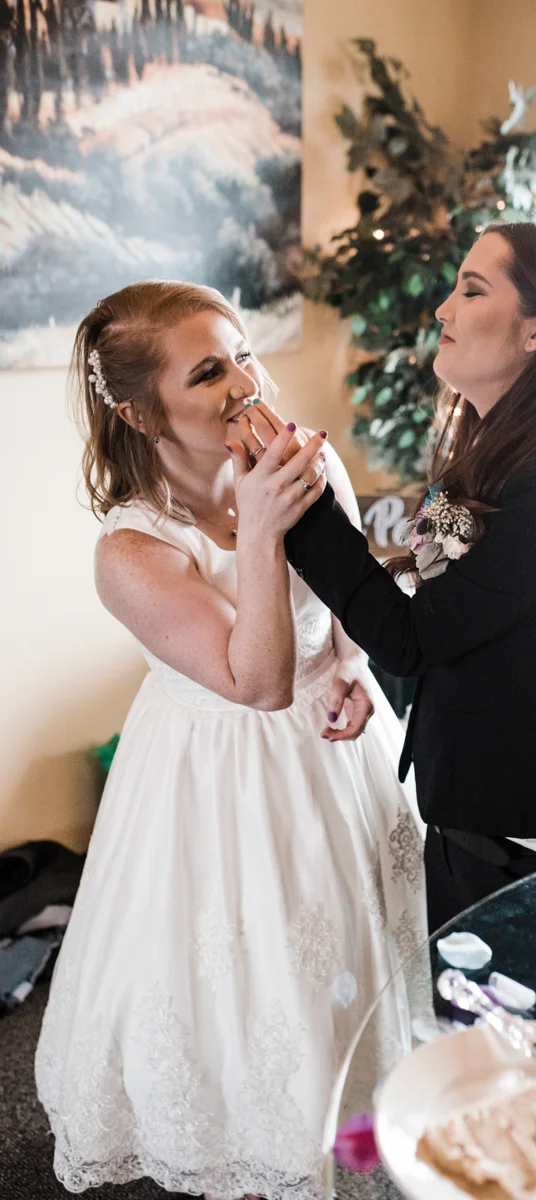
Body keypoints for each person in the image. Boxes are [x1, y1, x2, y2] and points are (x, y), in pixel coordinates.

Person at [35, 282, 425, 1199]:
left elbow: (349, 603)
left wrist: (356, 670)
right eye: (209, 371)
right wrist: (261, 527)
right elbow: (255, 681)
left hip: (332, 756)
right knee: (232, 968)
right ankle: (242, 1145)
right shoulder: (132, 553)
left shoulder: (304, 463)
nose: (246, 382)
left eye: (244, 352)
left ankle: (343, 1116)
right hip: (212, 768)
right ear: (138, 411)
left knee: (341, 948)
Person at [274, 219, 536, 933]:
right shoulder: (497, 454)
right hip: (480, 812)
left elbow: (413, 639)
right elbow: (441, 602)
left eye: (471, 289)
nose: (443, 310)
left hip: (522, 836)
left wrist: (304, 506)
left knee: (506, 1042)